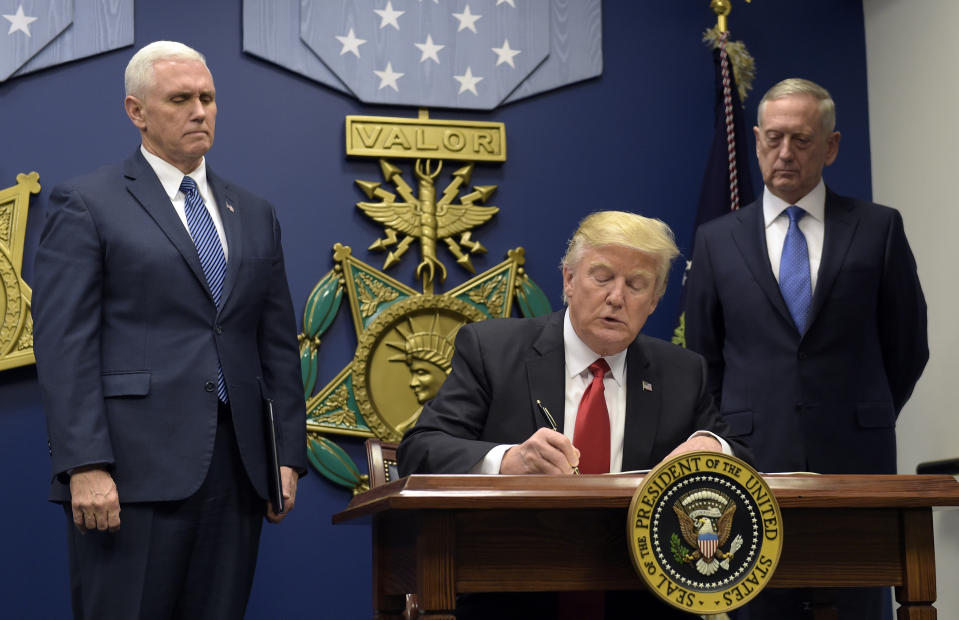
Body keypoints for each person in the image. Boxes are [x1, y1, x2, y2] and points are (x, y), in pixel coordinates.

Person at [32, 41, 307, 619]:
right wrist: (85, 464)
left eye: (208, 98)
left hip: (238, 473)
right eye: (180, 99)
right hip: (128, 479)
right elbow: (64, 347)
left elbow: (277, 343)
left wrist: (285, 455)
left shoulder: (254, 212)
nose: (199, 111)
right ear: (137, 111)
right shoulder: (86, 202)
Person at [399, 210, 751, 619]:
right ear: (568, 280)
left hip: (642, 600)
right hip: (510, 596)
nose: (617, 297)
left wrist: (710, 446)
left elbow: (742, 456)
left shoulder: (682, 372)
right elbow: (420, 450)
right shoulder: (491, 351)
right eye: (602, 277)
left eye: (636, 284)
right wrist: (509, 461)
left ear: (654, 301)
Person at [684, 78, 928, 619]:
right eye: (773, 139)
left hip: (856, 461)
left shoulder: (878, 228)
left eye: (801, 139)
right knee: (760, 605)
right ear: (755, 140)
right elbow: (704, 358)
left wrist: (865, 410)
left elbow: (907, 343)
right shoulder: (716, 239)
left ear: (831, 145)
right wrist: (735, 427)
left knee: (860, 602)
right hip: (752, 461)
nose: (785, 153)